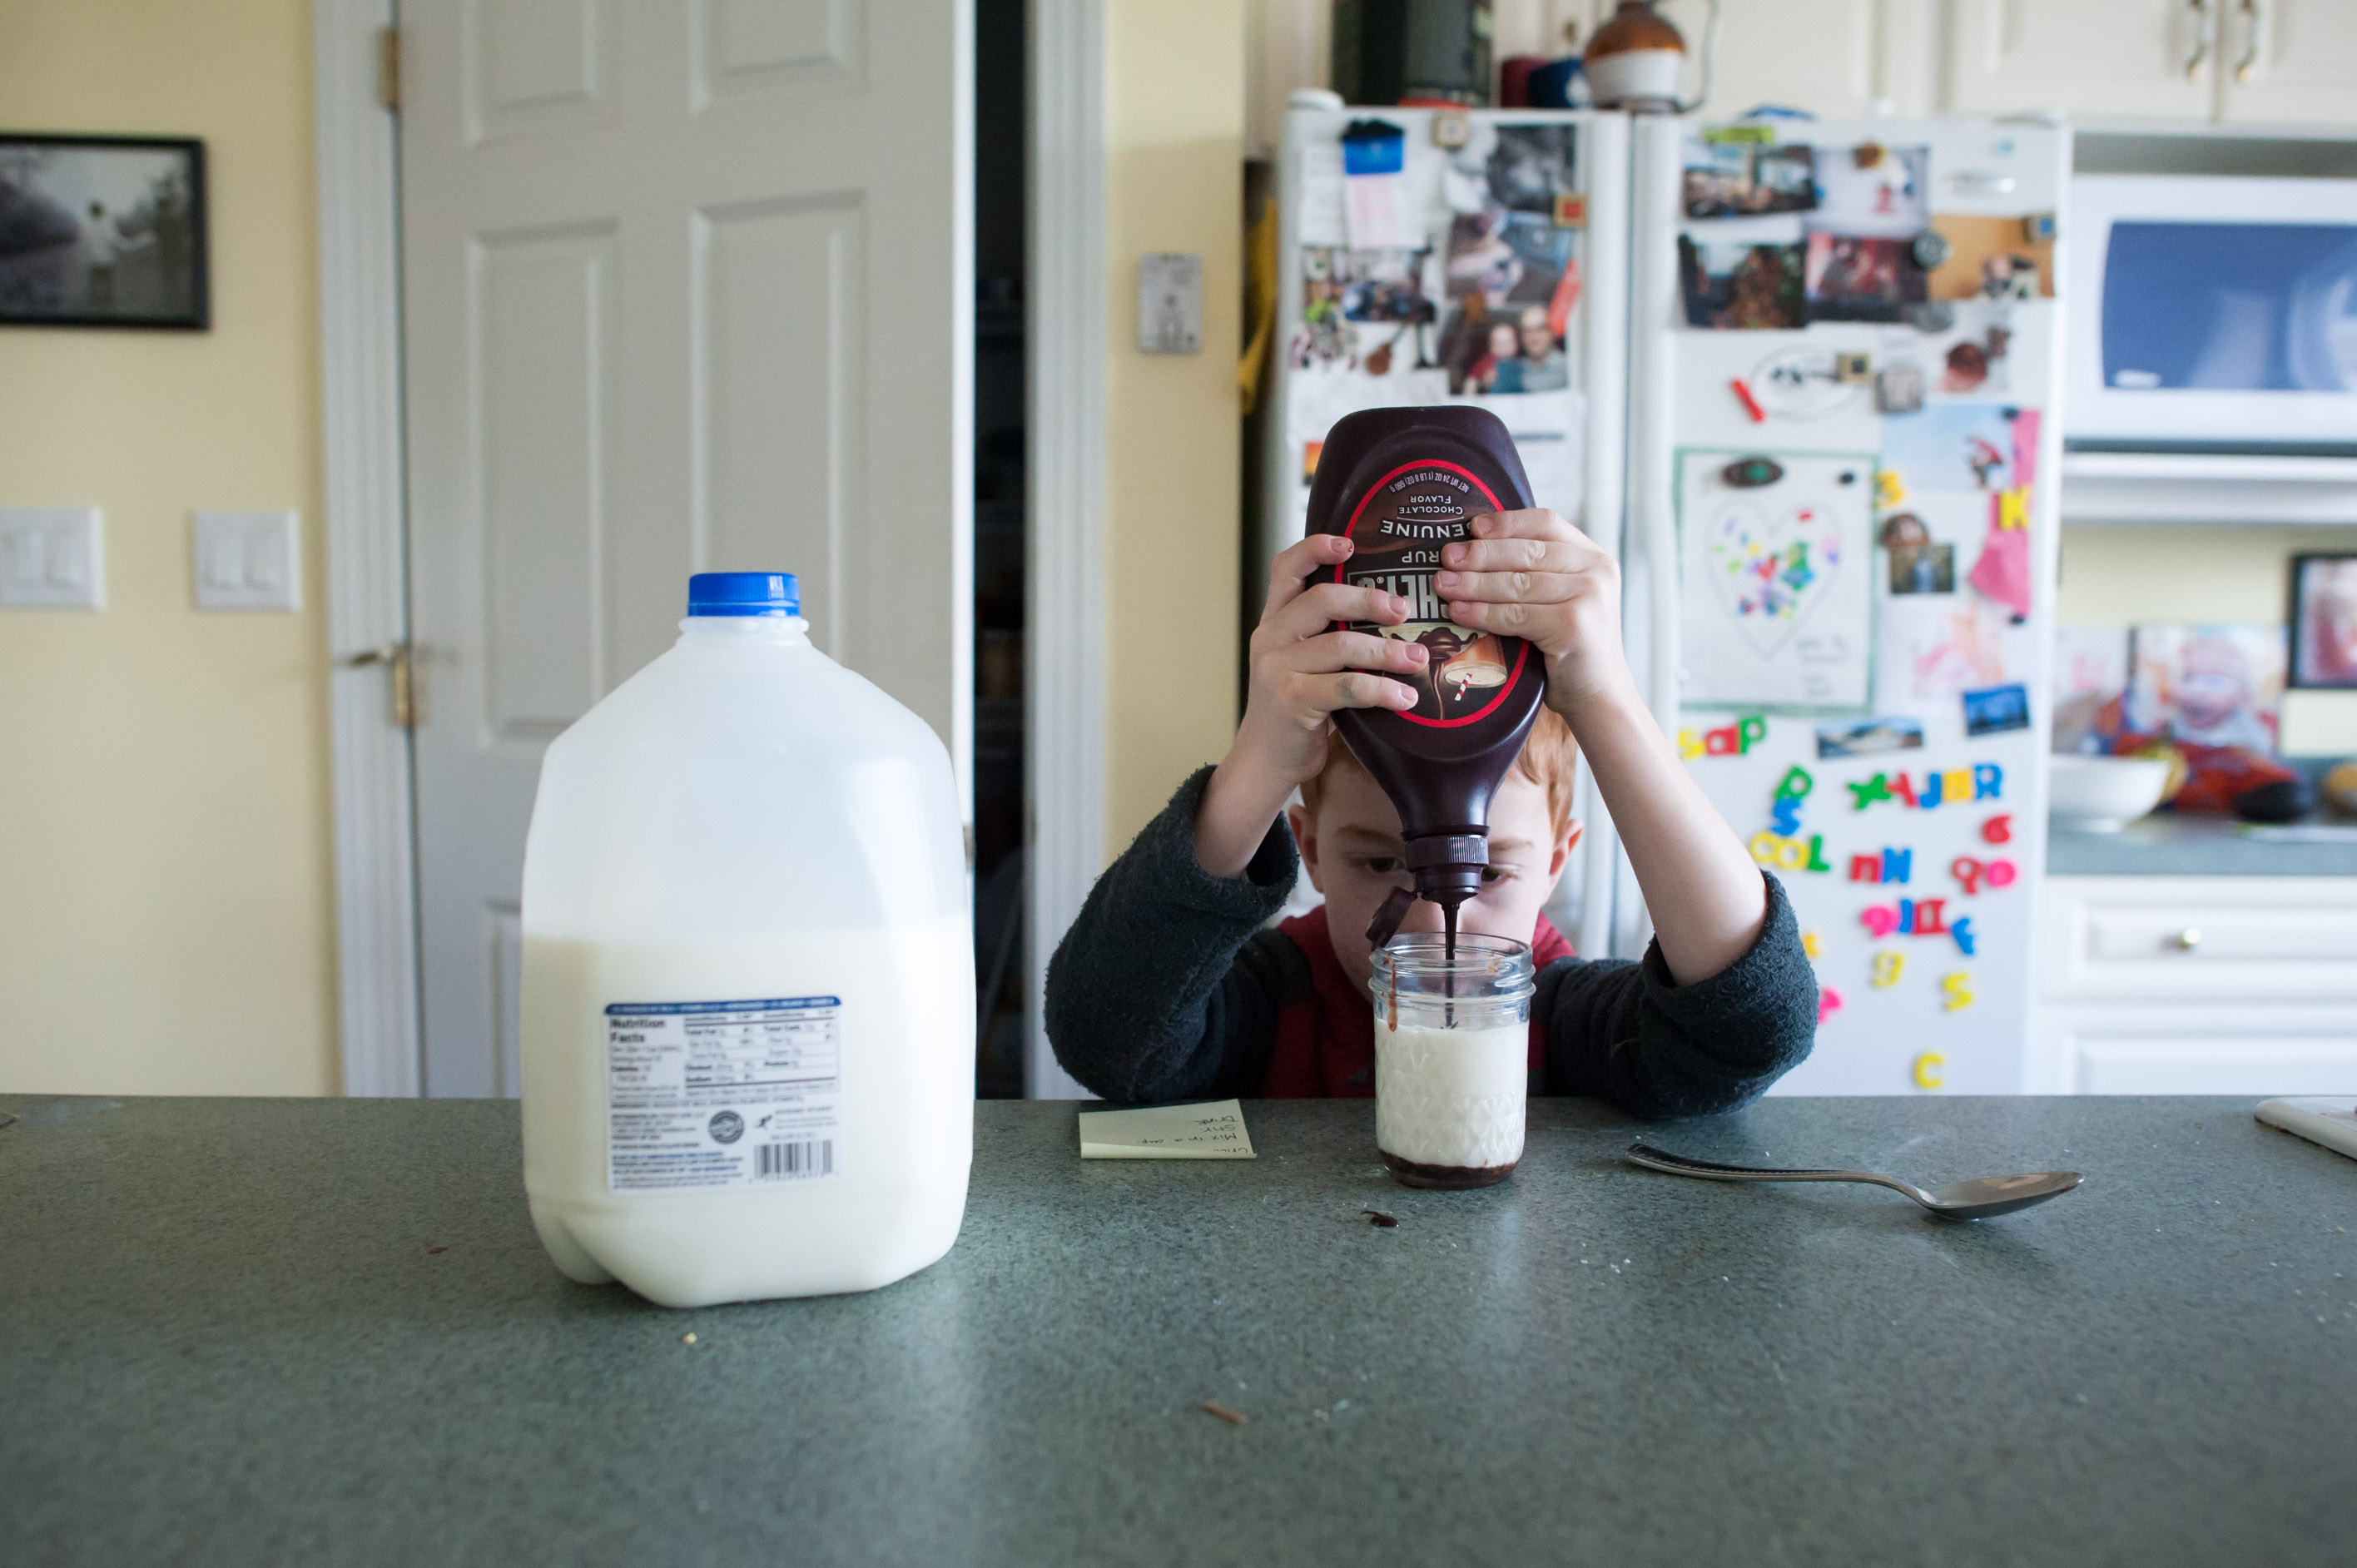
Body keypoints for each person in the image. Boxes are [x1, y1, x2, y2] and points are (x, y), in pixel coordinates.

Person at [1046, 510, 1818, 1116]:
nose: (1427, 926)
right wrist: (1257, 765)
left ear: (1556, 859)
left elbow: (1751, 1035)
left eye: (1490, 866)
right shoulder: (1274, 999)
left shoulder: (1563, 1017)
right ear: (1308, 851)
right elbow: (1105, 1038)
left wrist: (1605, 699)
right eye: (1378, 862)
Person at [1514, 305, 1568, 391]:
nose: (1533, 336)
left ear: (1551, 332)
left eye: (1539, 329)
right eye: (1527, 331)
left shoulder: (1568, 367)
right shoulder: (1515, 369)